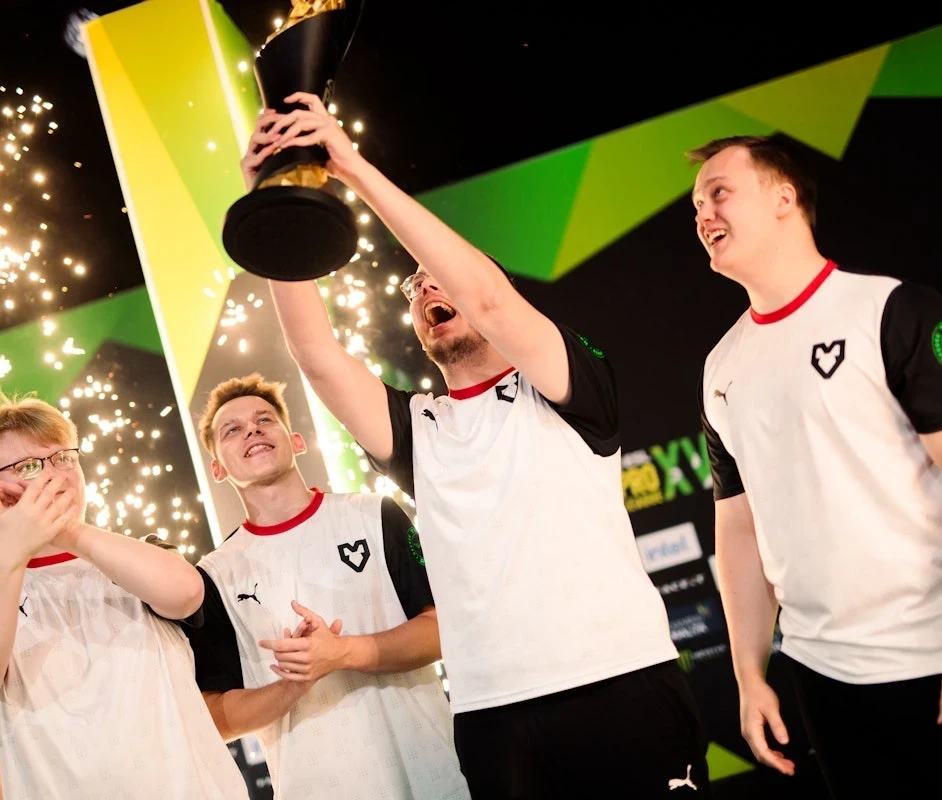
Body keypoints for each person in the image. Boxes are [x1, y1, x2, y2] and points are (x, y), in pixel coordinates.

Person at [245, 94, 710, 798]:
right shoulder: (417, 427)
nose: (425, 287)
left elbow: (489, 300)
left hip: (619, 682)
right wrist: (275, 201)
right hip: (494, 715)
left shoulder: (566, 380)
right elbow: (315, 353)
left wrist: (350, 165)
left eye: (441, 275)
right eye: (414, 286)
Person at [688, 134, 942, 797]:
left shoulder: (894, 310)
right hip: (824, 678)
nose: (704, 216)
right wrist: (749, 676)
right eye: (696, 207)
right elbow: (740, 529)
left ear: (784, 198)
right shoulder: (721, 368)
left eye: (719, 194)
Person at [0, 393, 248, 800]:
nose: (53, 476)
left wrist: (63, 529)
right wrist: (11, 547)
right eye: (29, 466)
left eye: (63, 458)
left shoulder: (141, 554)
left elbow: (187, 594)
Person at [185, 372, 468, 800]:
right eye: (233, 430)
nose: (253, 431)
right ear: (217, 468)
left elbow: (443, 629)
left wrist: (342, 653)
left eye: (264, 419)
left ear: (296, 441)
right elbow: (215, 718)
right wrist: (293, 685)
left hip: (431, 774)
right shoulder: (212, 577)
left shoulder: (376, 514)